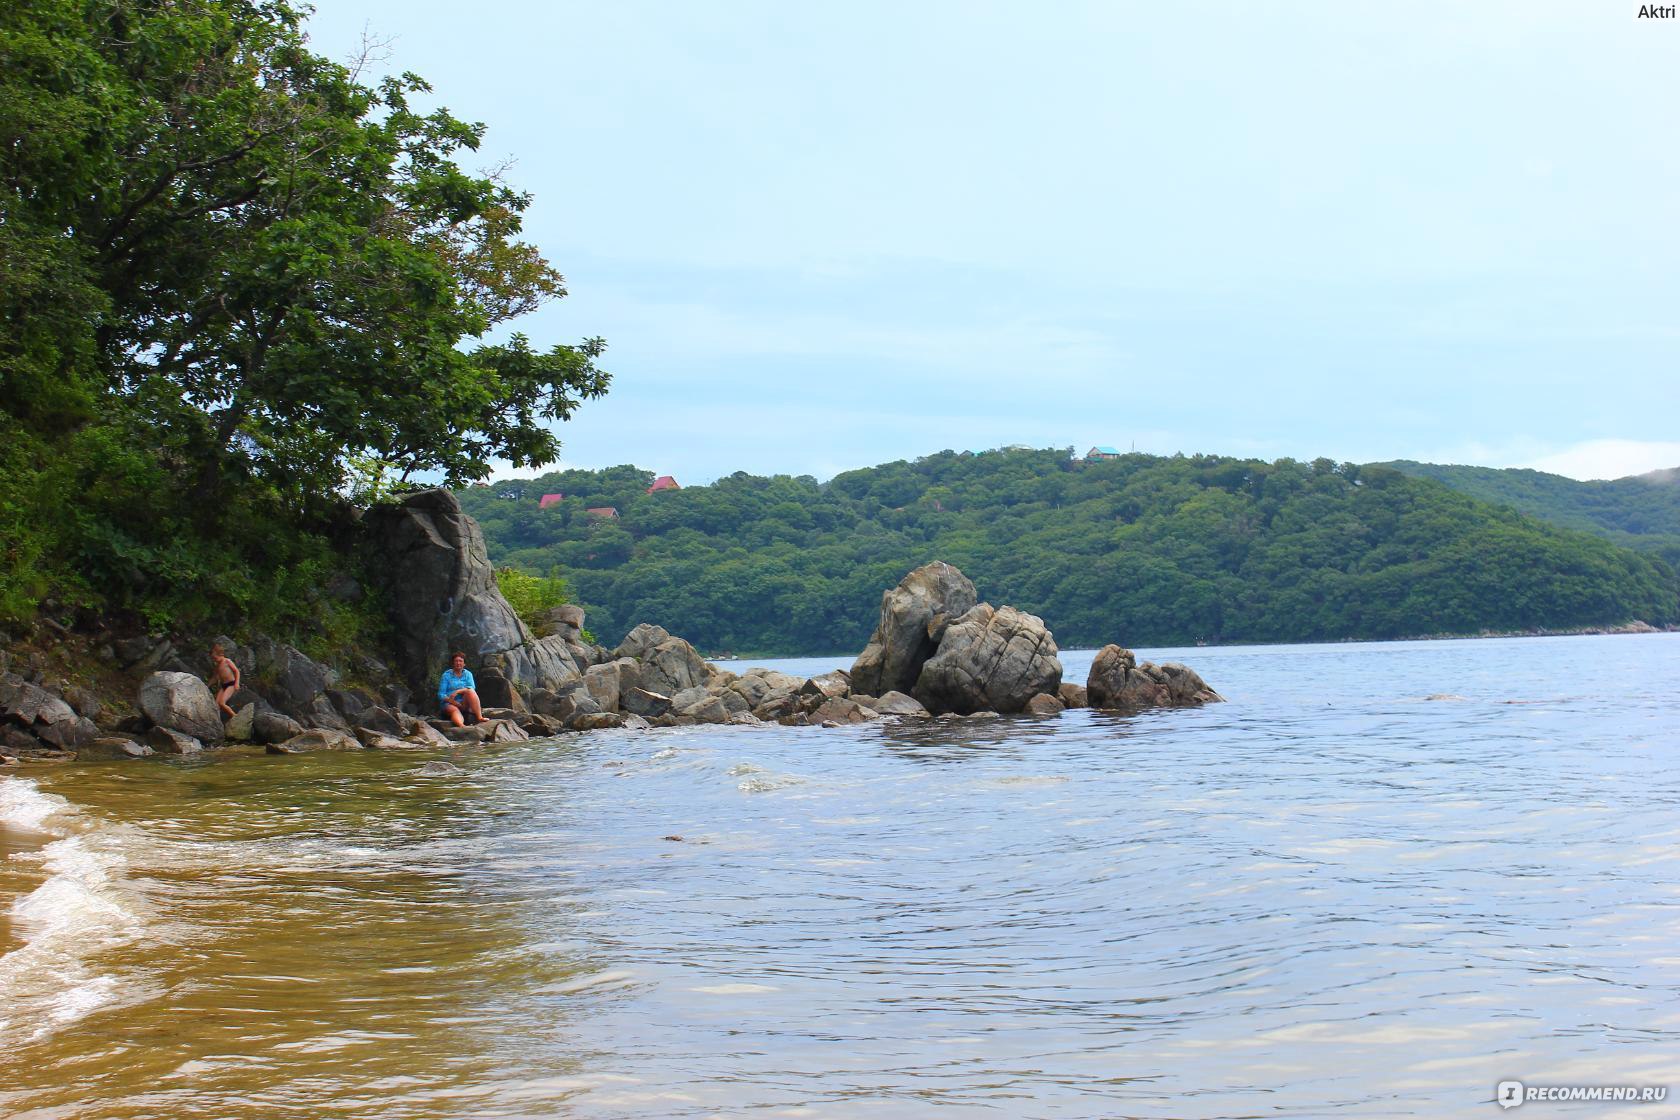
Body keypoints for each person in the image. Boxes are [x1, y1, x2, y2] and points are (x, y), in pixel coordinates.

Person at [438, 651, 482, 727]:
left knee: (470, 691)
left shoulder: (468, 674)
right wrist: (451, 701)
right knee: (455, 710)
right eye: (456, 661)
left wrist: (458, 691)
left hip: (463, 702)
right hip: (449, 703)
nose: (458, 663)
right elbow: (441, 694)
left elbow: (472, 687)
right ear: (453, 663)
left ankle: (479, 717)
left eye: (460, 661)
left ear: (464, 664)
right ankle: (461, 726)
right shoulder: (446, 675)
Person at [210, 643, 241, 719]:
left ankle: (235, 716)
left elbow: (236, 671)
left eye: (215, 658)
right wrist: (208, 685)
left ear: (221, 655)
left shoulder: (227, 661)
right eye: (213, 659)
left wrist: (237, 683)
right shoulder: (217, 665)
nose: (215, 660)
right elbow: (215, 677)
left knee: (222, 703)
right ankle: (216, 719)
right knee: (216, 704)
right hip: (224, 686)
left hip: (231, 684)